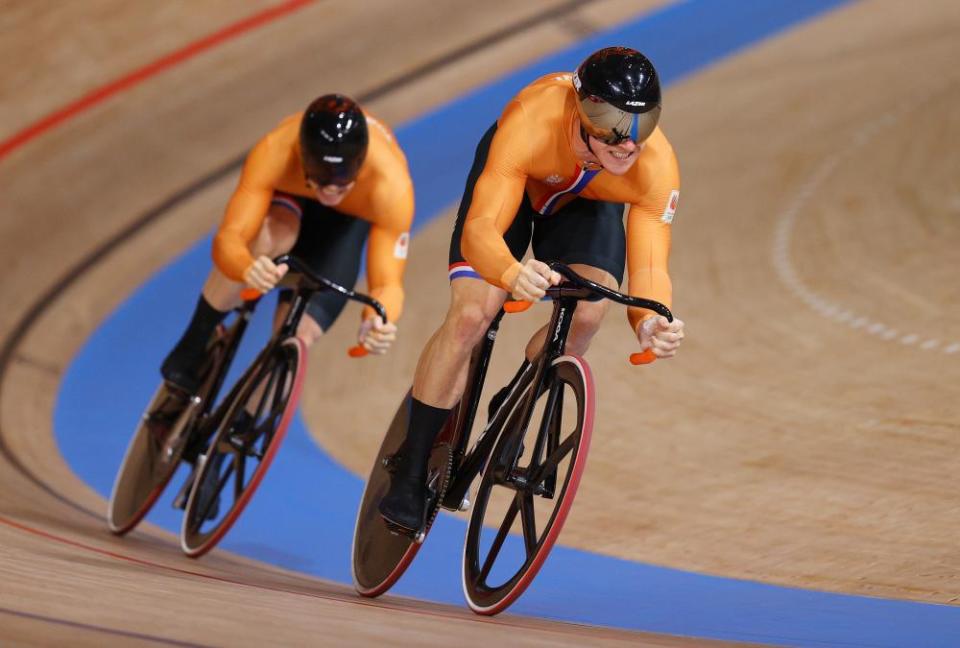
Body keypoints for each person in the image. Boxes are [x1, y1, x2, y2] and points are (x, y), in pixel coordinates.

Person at [378, 47, 686, 532]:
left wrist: (651, 318)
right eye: (611, 121)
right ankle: (411, 469)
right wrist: (507, 271)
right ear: (583, 110)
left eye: (641, 125)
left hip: (589, 203)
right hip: (516, 187)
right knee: (473, 316)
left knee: (588, 313)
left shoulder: (655, 166)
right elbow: (481, 229)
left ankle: (517, 399)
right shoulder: (531, 117)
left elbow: (649, 263)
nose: (628, 142)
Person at [160, 94, 413, 396]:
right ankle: (191, 345)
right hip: (291, 203)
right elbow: (231, 237)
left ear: (362, 165)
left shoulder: (392, 187)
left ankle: (247, 421)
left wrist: (378, 320)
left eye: (343, 178)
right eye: (320, 176)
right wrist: (246, 267)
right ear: (302, 156)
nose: (331, 189)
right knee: (274, 236)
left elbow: (388, 283)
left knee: (298, 337)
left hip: (344, 225)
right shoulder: (275, 150)